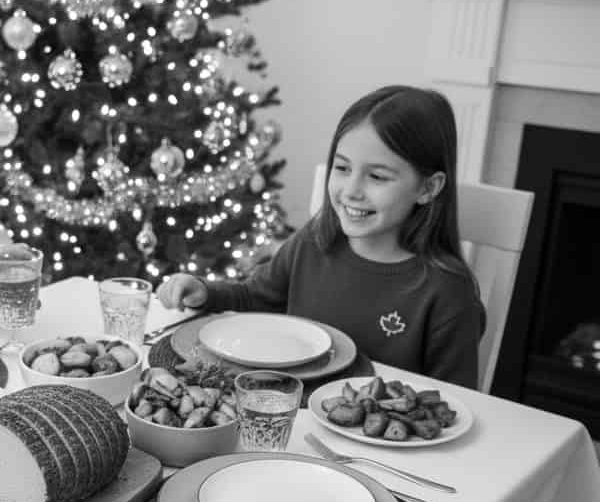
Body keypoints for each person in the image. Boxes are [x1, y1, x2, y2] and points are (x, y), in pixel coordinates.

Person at [158, 85, 485, 388]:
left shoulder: (447, 293)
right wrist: (205, 291)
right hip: (286, 417)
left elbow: (454, 402)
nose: (351, 191)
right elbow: (255, 297)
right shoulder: (314, 242)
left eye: (377, 177)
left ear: (427, 188)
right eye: (342, 168)